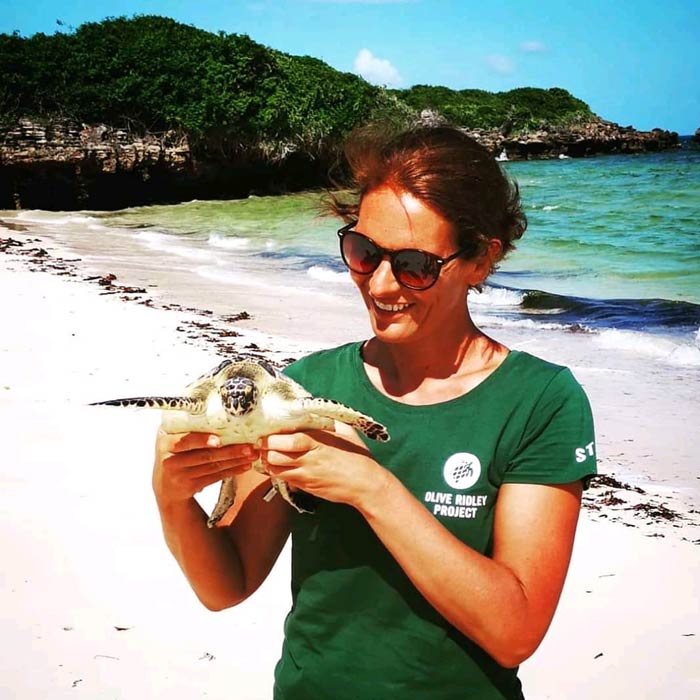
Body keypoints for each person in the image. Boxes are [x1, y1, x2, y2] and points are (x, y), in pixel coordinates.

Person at [152, 124, 597, 700]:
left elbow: (514, 632)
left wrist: (372, 488)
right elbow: (225, 585)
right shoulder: (303, 389)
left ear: (482, 259)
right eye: (363, 253)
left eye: (414, 264)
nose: (380, 284)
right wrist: (172, 496)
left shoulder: (539, 402)